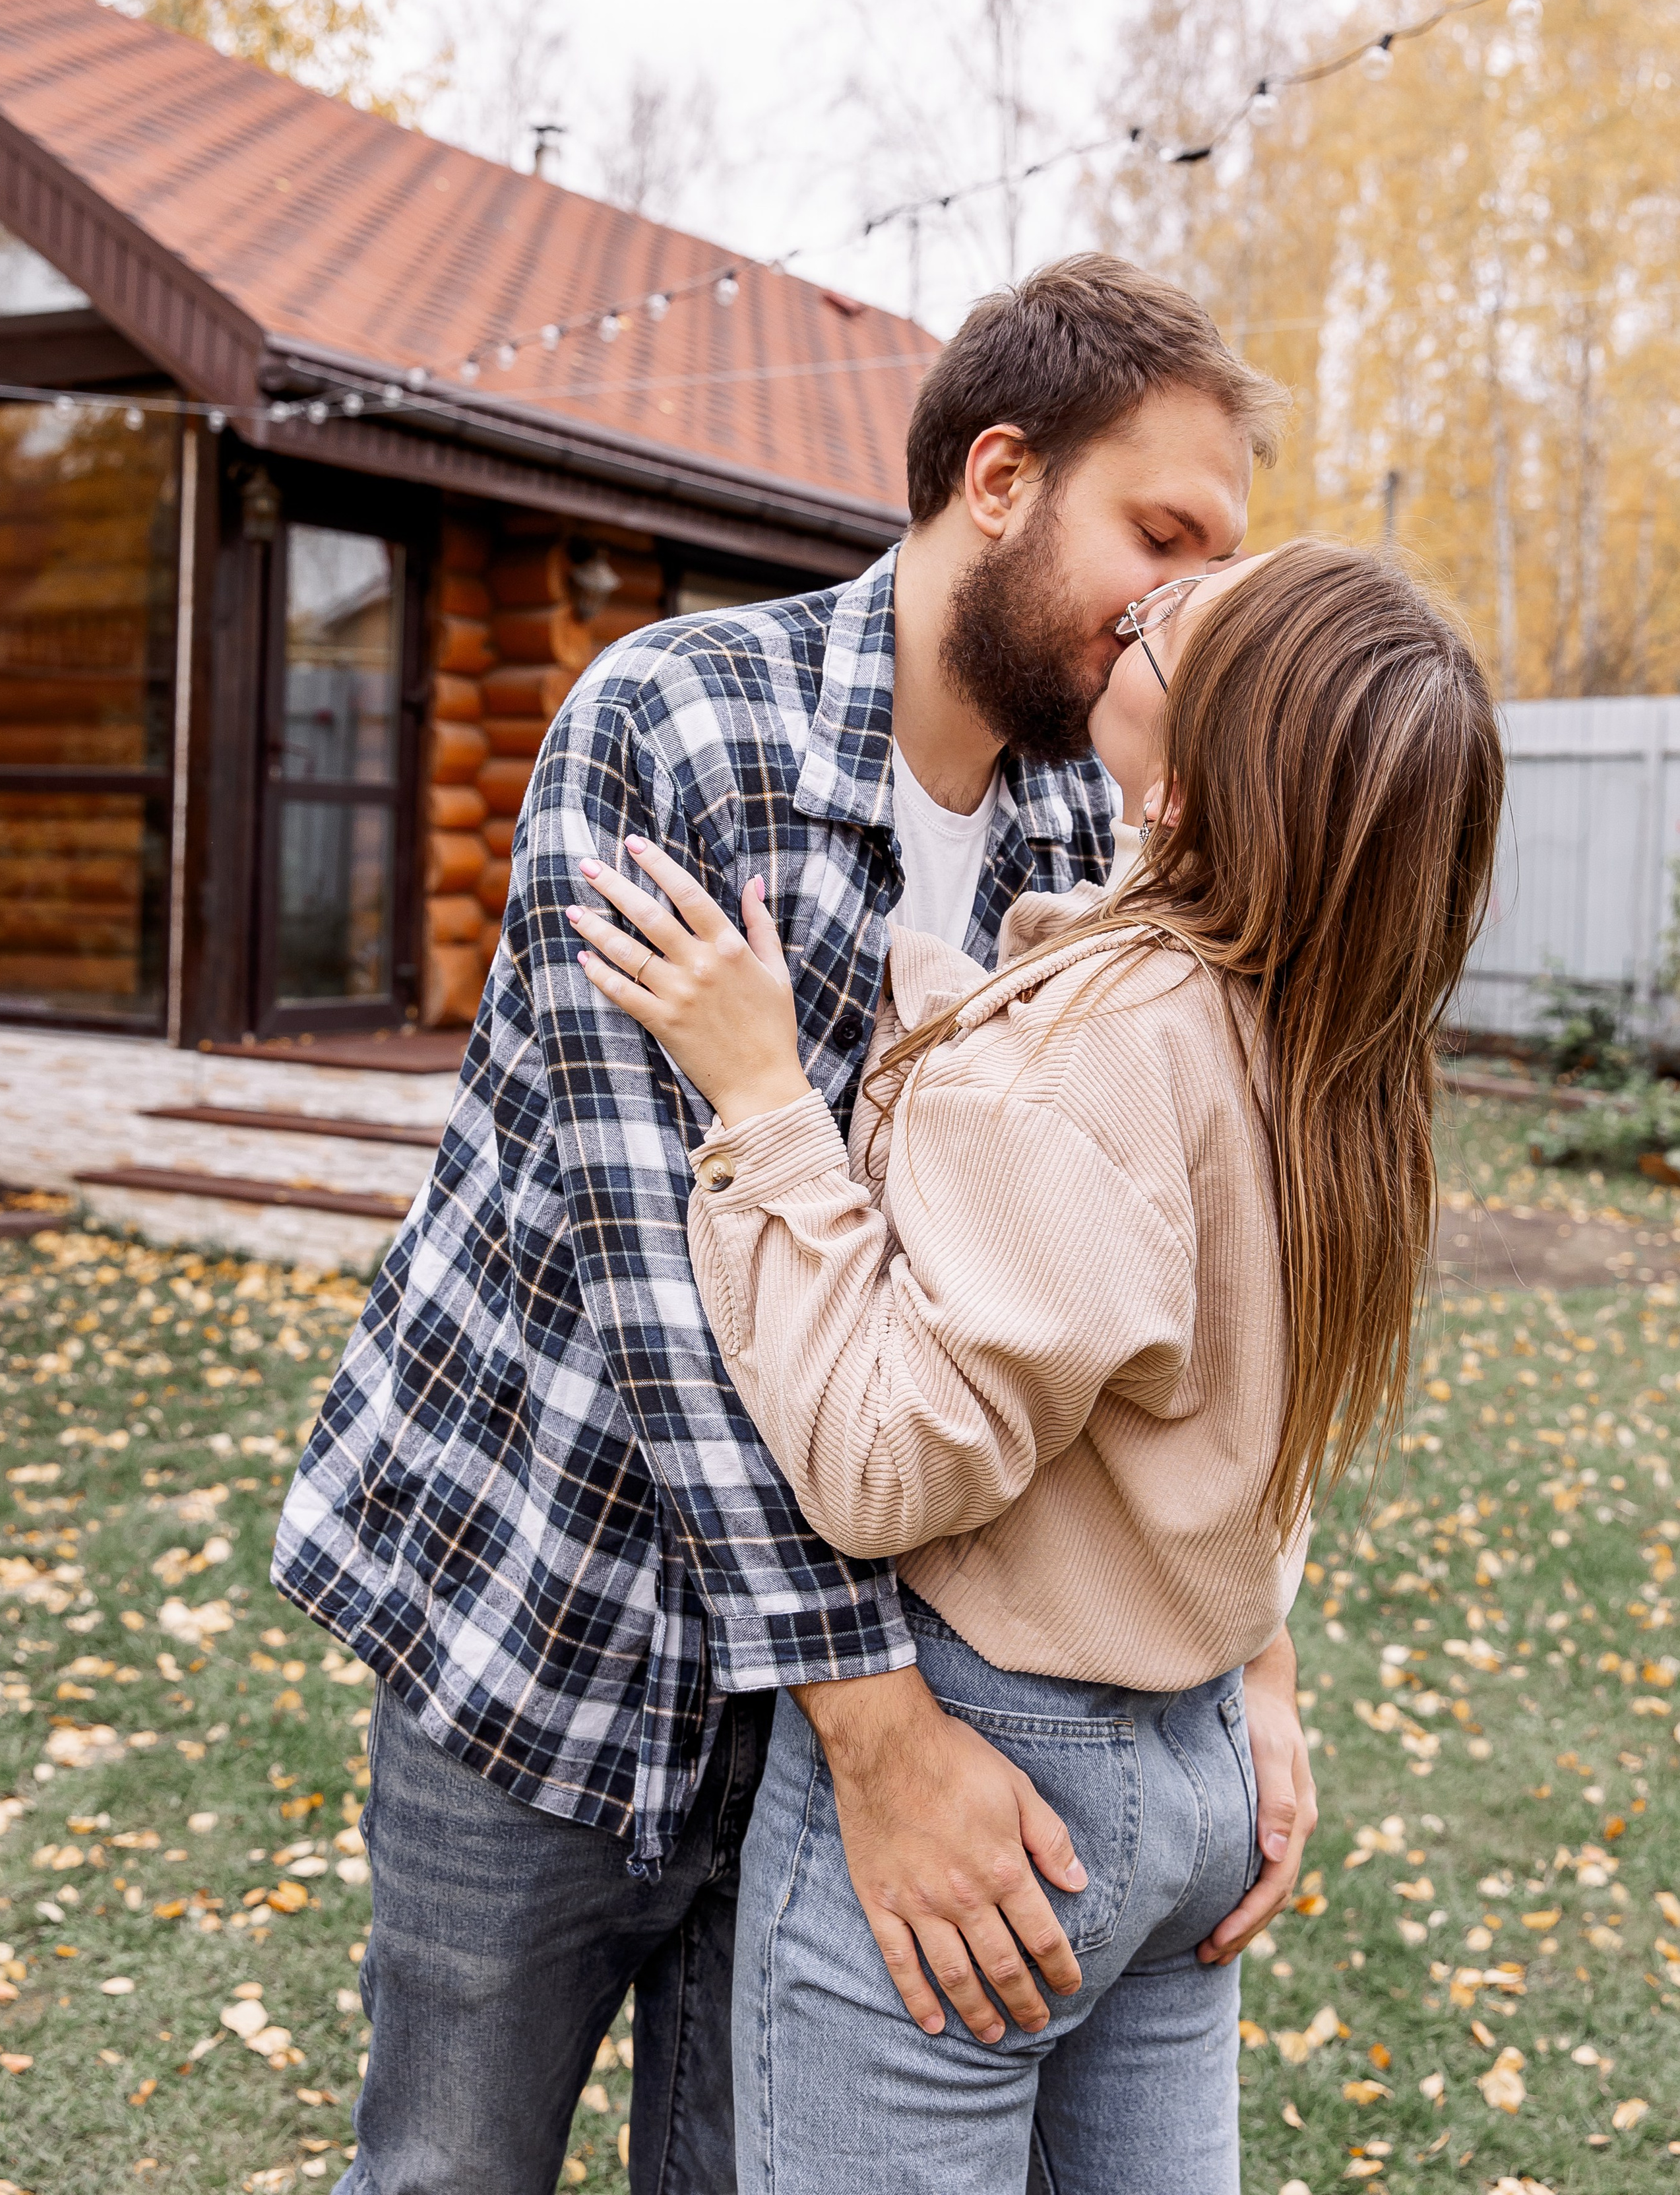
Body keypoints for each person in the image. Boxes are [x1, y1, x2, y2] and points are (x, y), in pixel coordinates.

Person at [272, 253, 1292, 2194]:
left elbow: (1174, 1261)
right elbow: (660, 1279)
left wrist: (1246, 1666)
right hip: (543, 1619)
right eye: (1157, 538)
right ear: (1000, 476)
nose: (1175, 609)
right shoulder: (671, 724)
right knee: (445, 2168)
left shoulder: (1096, 827)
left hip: (851, 1709)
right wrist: (882, 1733)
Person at [568, 538, 1505, 2194]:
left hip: (1005, 1771)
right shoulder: (1340, 1049)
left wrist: (764, 1105)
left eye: (1170, 625)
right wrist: (1263, 1679)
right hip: (1191, 1753)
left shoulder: (1092, 1057)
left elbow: (879, 1463)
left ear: (1220, 758)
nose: (1130, 614)